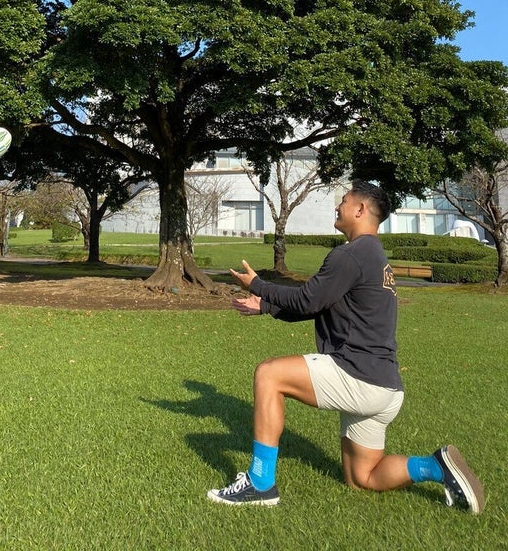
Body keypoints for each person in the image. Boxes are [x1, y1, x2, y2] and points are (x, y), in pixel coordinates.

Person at [207, 180, 485, 514]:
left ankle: (260, 483)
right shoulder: (374, 257)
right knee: (362, 477)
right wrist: (265, 306)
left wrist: (259, 285)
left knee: (269, 375)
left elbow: (308, 299)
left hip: (358, 375)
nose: (338, 206)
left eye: (344, 200)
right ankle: (435, 467)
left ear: (360, 209)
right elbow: (321, 304)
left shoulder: (352, 254)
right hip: (386, 389)